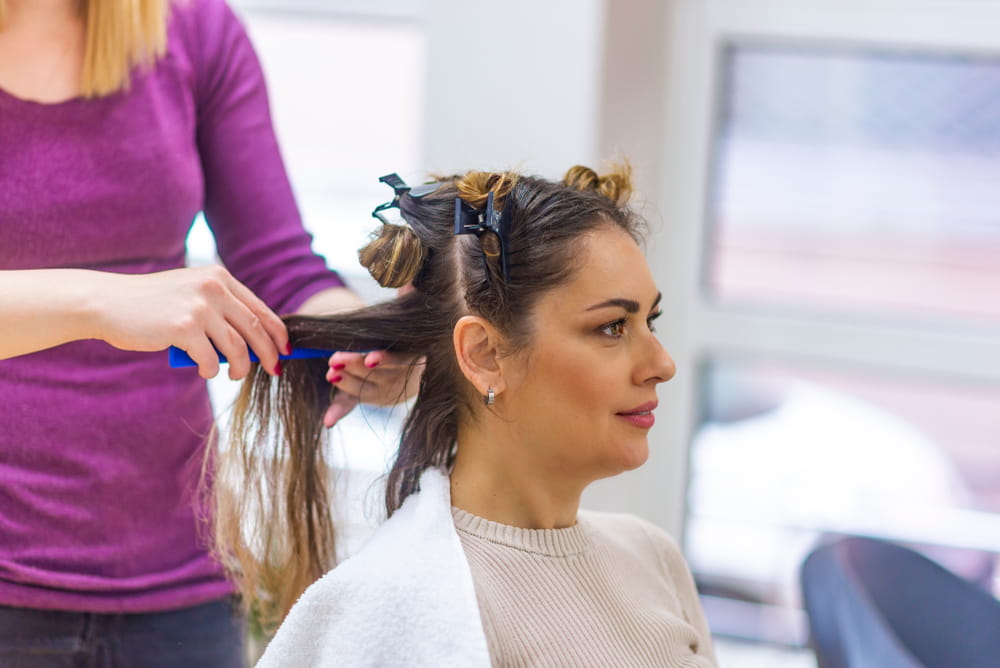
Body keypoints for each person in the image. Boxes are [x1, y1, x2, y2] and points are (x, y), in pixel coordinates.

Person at [0, 1, 415, 666]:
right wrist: (100, 302)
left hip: (179, 585)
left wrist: (370, 339)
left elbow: (280, 266)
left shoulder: (191, 30)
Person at [217, 164, 718, 666]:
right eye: (612, 326)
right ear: (484, 355)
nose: (663, 365)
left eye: (649, 320)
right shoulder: (393, 604)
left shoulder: (652, 558)